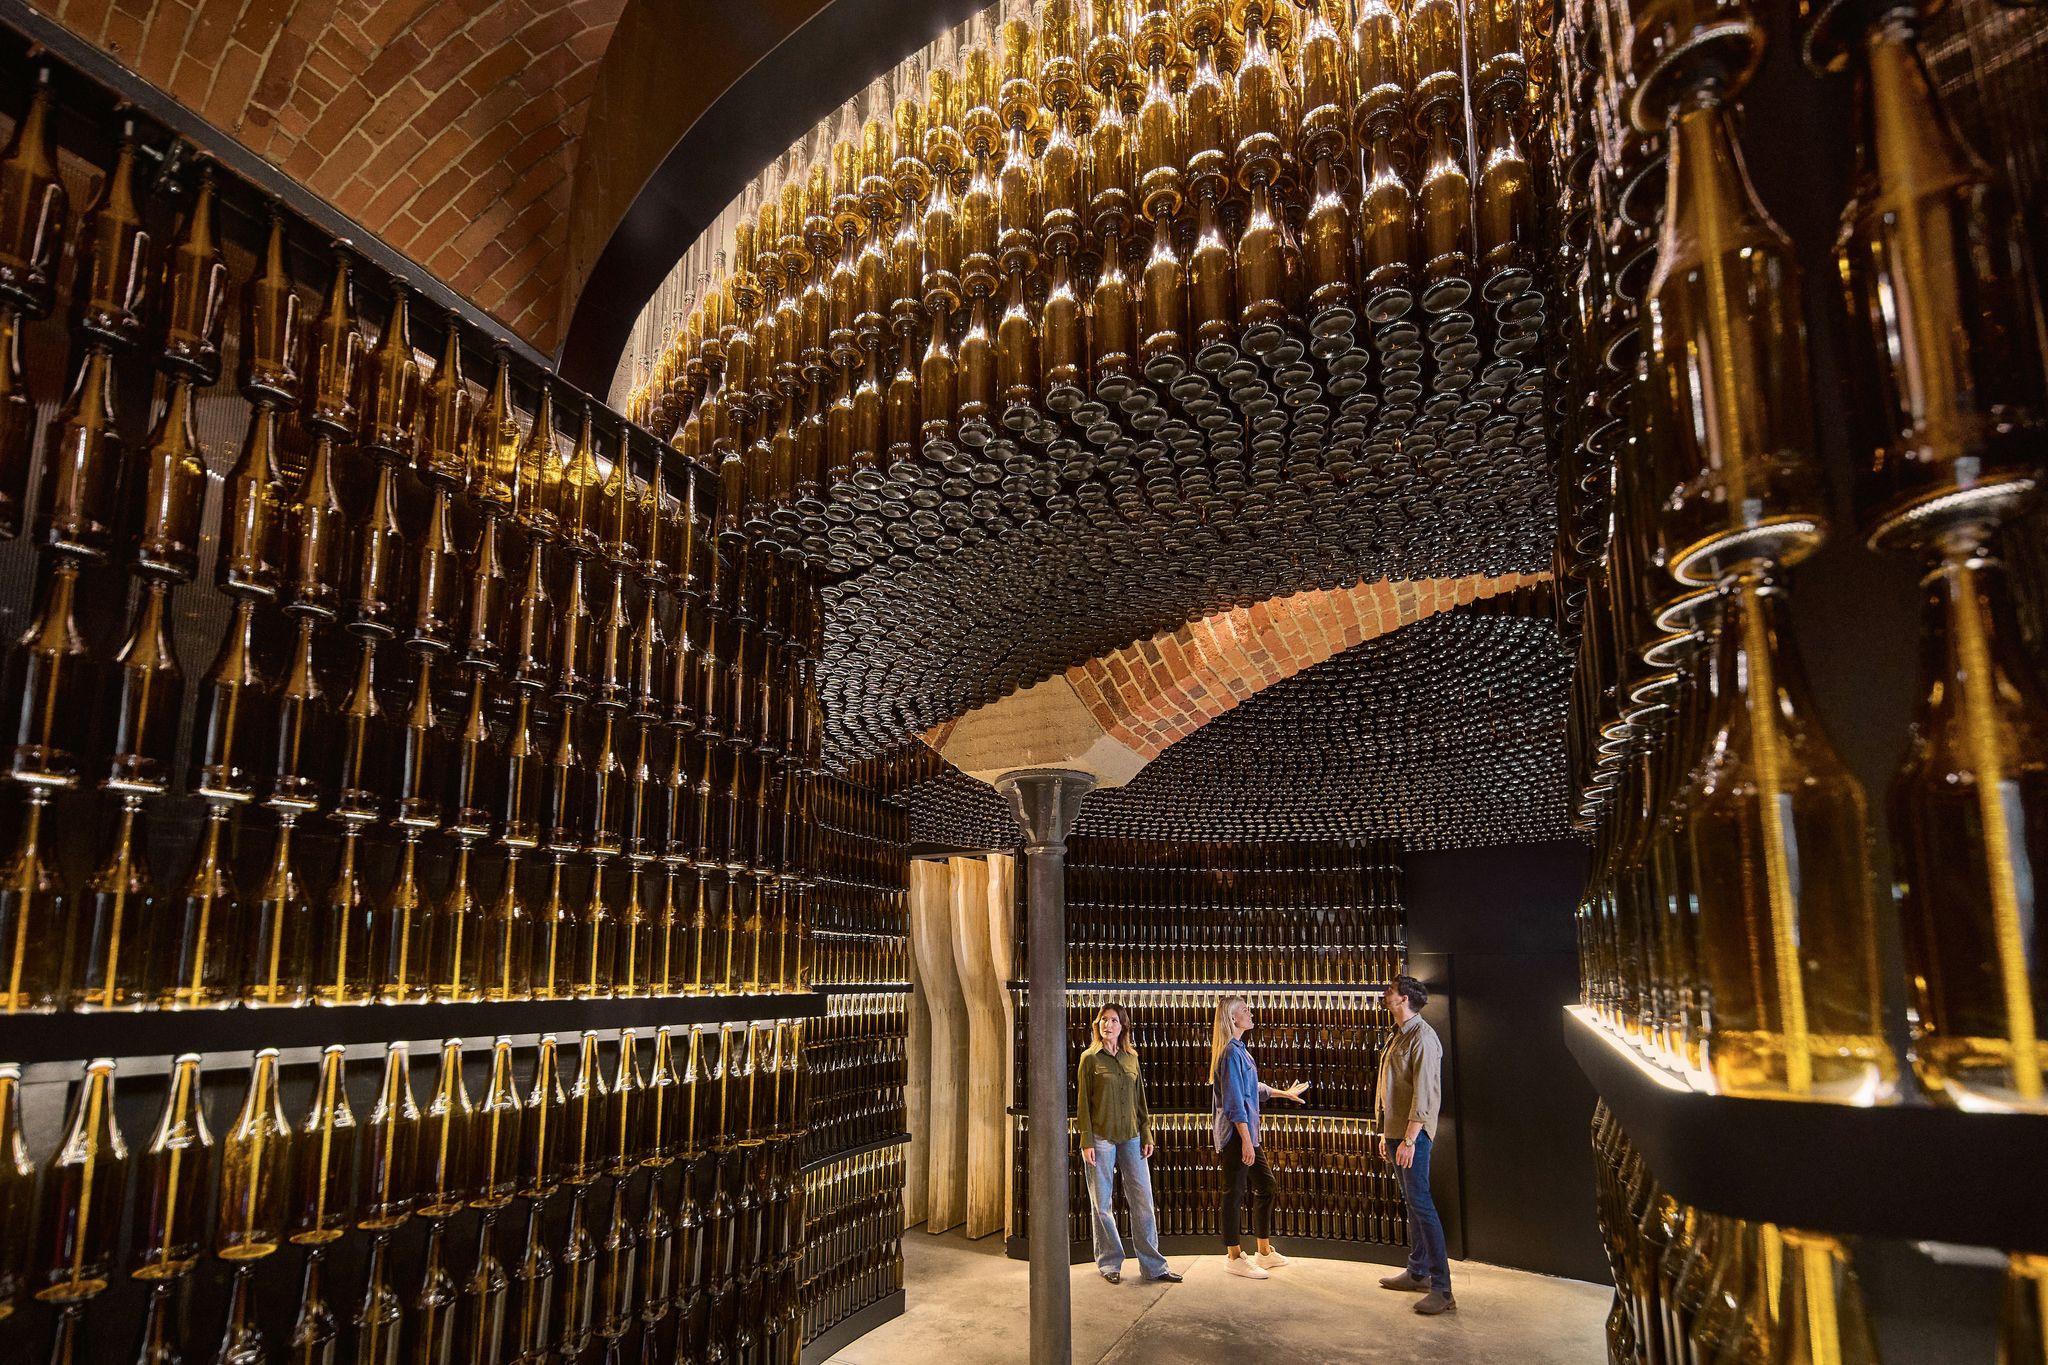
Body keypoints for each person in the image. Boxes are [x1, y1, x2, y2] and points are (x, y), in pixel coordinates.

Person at [1075, 1002, 1181, 1285]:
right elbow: (1083, 1104)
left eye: (1113, 1020)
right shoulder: (1089, 1059)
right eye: (1103, 1020)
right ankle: (1109, 1262)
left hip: (1132, 1136)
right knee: (1103, 1204)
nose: (1107, 1025)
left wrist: (1147, 1133)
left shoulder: (1131, 1059)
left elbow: (1140, 1102)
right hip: (1101, 1138)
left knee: (1143, 1200)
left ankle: (1154, 1266)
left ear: (1122, 1026)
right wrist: (1086, 1140)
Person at [1208, 995, 1309, 1280]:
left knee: (1266, 1186)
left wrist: (1283, 1093)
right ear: (1232, 1019)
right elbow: (1234, 1102)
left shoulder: (1239, 1050)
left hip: (1248, 1134)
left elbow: (1254, 1087)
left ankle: (1263, 1252)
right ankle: (1233, 1256)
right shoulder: (1229, 1052)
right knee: (1234, 1192)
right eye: (1244, 1010)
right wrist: (1245, 1140)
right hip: (1236, 1136)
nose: (1250, 1013)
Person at [1375, 975, 1453, 1314]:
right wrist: (1385, 1132)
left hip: (1413, 1136)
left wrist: (1408, 1137)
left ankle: (1443, 1289)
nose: (1385, 993)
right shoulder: (1398, 1035)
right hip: (1395, 1133)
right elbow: (1390, 1088)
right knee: (1412, 1203)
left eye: (1390, 990)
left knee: (1421, 1205)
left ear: (1404, 998)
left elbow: (1424, 1095)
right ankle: (1418, 1271)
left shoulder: (1423, 1038)